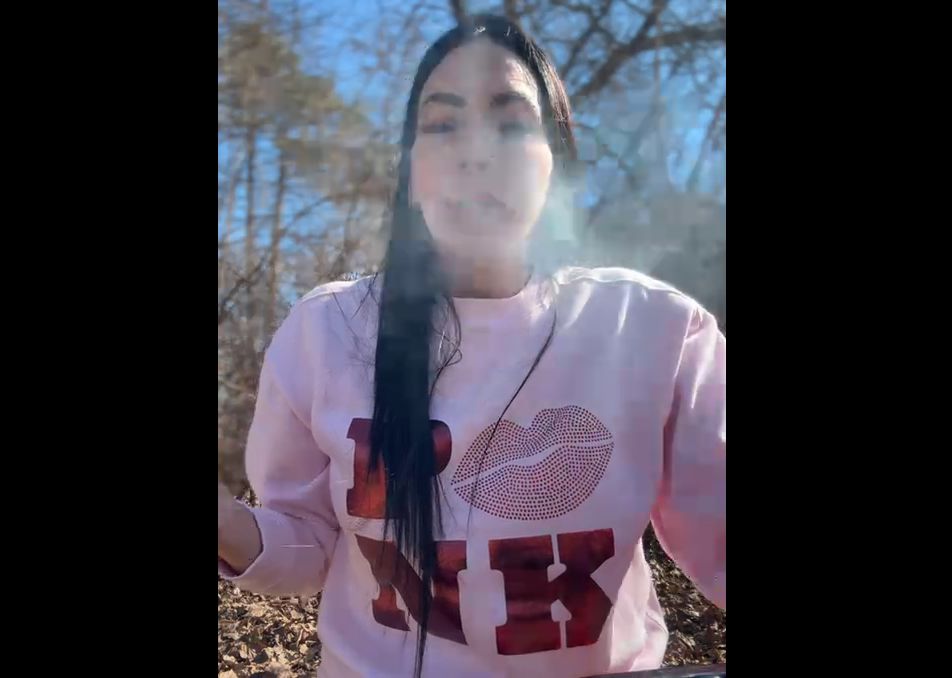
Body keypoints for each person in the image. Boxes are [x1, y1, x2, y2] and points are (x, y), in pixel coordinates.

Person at [218, 14, 725, 678]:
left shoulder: (655, 329)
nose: (476, 152)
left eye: (511, 124)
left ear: (557, 164)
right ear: (411, 171)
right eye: (442, 124)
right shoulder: (326, 331)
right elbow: (306, 545)